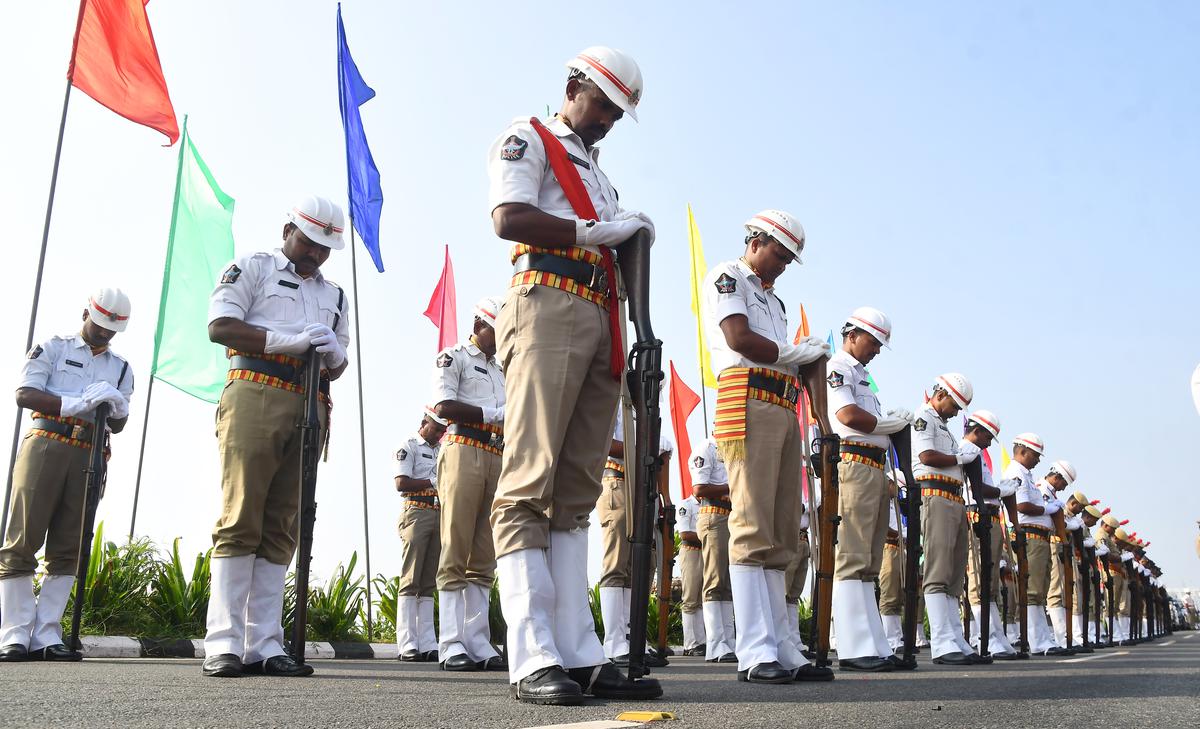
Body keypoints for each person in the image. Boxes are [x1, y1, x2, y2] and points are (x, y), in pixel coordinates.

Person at [487, 45, 660, 704]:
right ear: (573, 86)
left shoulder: (599, 173)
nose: (610, 121)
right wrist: (594, 232)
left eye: (619, 114)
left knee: (577, 491)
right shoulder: (526, 136)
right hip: (548, 298)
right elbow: (508, 217)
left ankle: (578, 649)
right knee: (531, 477)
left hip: (598, 313)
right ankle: (531, 651)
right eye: (605, 105)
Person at [201, 196, 350, 678]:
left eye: (326, 248)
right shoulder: (253, 267)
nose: (317, 255)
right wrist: (290, 340)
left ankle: (264, 642)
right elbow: (221, 327)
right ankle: (223, 642)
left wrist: (332, 356)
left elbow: (340, 361)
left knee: (283, 523)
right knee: (242, 513)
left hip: (309, 400)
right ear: (289, 228)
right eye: (310, 242)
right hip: (255, 389)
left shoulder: (335, 295)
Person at [702, 209, 833, 684]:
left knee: (779, 530)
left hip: (781, 405)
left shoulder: (775, 303)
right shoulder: (728, 275)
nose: (782, 266)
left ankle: (783, 644)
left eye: (789, 260)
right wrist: (798, 354)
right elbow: (739, 339)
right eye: (780, 254)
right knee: (752, 520)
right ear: (757, 240)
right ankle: (754, 650)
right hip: (747, 398)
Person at [0, 289, 134, 662]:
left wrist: (118, 406)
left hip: (90, 449)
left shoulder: (121, 367)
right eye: (101, 325)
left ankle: (46, 634)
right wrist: (71, 403)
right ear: (85, 313)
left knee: (69, 544)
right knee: (23, 536)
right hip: (47, 440)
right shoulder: (54, 348)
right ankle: (13, 633)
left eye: (112, 330)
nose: (105, 334)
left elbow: (119, 423)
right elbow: (25, 394)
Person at [824, 307, 913, 672]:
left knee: (869, 560)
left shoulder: (862, 376)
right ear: (853, 334)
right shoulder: (839, 367)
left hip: (874, 466)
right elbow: (847, 417)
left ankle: (872, 643)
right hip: (855, 461)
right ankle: (853, 646)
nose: (876, 350)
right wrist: (890, 423)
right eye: (873, 342)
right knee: (854, 555)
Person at [430, 298, 506, 672]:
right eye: (496, 329)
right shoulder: (454, 356)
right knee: (456, 545)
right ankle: (451, 641)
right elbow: (444, 407)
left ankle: (477, 639)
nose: (500, 338)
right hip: (463, 447)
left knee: (484, 553)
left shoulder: (504, 367)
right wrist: (491, 414)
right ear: (479, 323)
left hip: (498, 453)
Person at [911, 373, 985, 666]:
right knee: (938, 569)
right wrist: (958, 458)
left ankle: (955, 638)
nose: (956, 413)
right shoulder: (924, 417)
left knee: (954, 574)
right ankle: (942, 642)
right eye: (954, 406)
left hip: (953, 498)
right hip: (935, 495)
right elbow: (926, 455)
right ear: (941, 395)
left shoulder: (942, 425)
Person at [960, 410, 1018, 660]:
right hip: (976, 515)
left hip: (989, 516)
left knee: (990, 581)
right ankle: (988, 637)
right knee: (979, 580)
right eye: (989, 436)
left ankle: (995, 635)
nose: (989, 442)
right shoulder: (967, 450)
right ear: (978, 430)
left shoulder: (978, 454)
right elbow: (977, 489)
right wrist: (1000, 491)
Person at [1007, 432, 1067, 656]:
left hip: (1039, 537)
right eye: (1035, 455)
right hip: (1031, 535)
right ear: (1022, 452)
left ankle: (1042, 638)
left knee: (1039, 591)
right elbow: (1022, 506)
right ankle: (1038, 641)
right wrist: (1046, 509)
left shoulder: (1027, 474)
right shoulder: (1017, 472)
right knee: (1032, 591)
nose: (1038, 460)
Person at [394, 409, 447, 662]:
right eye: (436, 429)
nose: (439, 434)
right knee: (411, 577)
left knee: (428, 582)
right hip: (416, 511)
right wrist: (431, 481)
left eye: (442, 430)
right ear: (424, 423)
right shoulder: (410, 446)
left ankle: (427, 642)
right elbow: (401, 484)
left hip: (439, 513)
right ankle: (406, 643)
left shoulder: (442, 450)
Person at [689, 437, 736, 663]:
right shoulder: (707, 447)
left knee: (726, 583)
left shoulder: (733, 447)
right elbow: (699, 488)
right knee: (715, 580)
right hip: (714, 514)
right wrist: (733, 485)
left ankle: (729, 641)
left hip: (730, 515)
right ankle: (716, 644)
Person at [1042, 461, 1078, 650]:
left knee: (1058, 591)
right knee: (1053, 592)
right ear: (1057, 478)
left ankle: (1063, 637)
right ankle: (1062, 638)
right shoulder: (1042, 489)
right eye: (1064, 484)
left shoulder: (1051, 493)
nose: (1064, 488)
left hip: (1052, 542)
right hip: (1049, 542)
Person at [878, 470, 906, 652]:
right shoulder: (880, 500)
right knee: (889, 594)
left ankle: (896, 637)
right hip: (888, 547)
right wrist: (900, 535)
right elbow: (881, 525)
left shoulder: (893, 504)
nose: (897, 491)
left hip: (899, 547)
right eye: (896, 486)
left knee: (897, 595)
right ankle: (890, 639)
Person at [676, 488, 705, 656]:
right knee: (690, 598)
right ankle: (690, 643)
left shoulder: (708, 505)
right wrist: (709, 535)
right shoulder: (686, 505)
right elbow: (684, 533)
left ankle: (701, 641)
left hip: (705, 551)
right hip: (691, 551)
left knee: (701, 598)